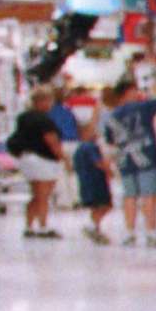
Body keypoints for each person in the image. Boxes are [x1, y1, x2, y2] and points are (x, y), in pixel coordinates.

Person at [99, 79, 156, 247]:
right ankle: (151, 233)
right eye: (135, 90)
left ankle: (130, 233)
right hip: (146, 158)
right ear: (128, 92)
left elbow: (110, 141)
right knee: (148, 195)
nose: (138, 93)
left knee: (130, 196)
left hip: (125, 160)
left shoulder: (111, 116)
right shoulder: (143, 108)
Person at [4, 86, 69, 240]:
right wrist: (64, 159)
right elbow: (52, 142)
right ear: (43, 101)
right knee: (43, 195)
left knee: (36, 194)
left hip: (27, 159)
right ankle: (43, 227)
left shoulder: (23, 117)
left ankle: (29, 226)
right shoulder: (44, 120)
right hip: (43, 160)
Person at [53, 95, 114, 243]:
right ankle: (92, 224)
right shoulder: (90, 147)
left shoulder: (81, 148)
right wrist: (109, 171)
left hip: (85, 182)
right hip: (96, 183)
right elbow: (98, 162)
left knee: (66, 180)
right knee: (106, 205)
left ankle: (93, 224)